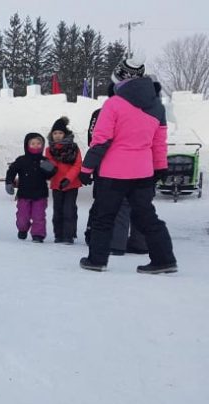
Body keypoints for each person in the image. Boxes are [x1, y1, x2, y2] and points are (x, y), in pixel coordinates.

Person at [78, 57, 176, 273]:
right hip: (143, 172)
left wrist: (86, 168)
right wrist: (160, 167)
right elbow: (159, 142)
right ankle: (164, 260)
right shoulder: (156, 106)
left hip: (113, 174)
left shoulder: (113, 104)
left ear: (118, 77)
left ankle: (97, 260)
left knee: (104, 217)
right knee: (147, 217)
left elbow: (101, 140)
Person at [84, 83, 149, 256]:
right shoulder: (146, 111)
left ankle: (113, 242)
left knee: (111, 204)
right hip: (143, 166)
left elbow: (95, 141)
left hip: (111, 166)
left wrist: (89, 166)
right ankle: (140, 242)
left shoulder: (104, 113)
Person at [5, 133, 57, 242]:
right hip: (24, 194)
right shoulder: (21, 160)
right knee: (22, 217)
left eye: (39, 143)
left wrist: (49, 169)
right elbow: (11, 171)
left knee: (39, 216)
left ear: (42, 145)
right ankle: (23, 229)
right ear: (27, 145)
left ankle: (38, 234)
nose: (36, 146)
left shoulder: (44, 160)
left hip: (40, 195)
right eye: (33, 143)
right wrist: (9, 182)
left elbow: (50, 174)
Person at [45, 117, 82, 244]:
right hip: (57, 184)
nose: (57, 136)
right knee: (58, 210)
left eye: (60, 133)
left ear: (65, 134)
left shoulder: (74, 148)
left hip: (71, 184)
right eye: (55, 133)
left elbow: (77, 165)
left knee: (69, 210)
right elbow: (50, 165)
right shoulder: (49, 150)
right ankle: (58, 234)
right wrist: (46, 168)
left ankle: (69, 235)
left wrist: (68, 179)